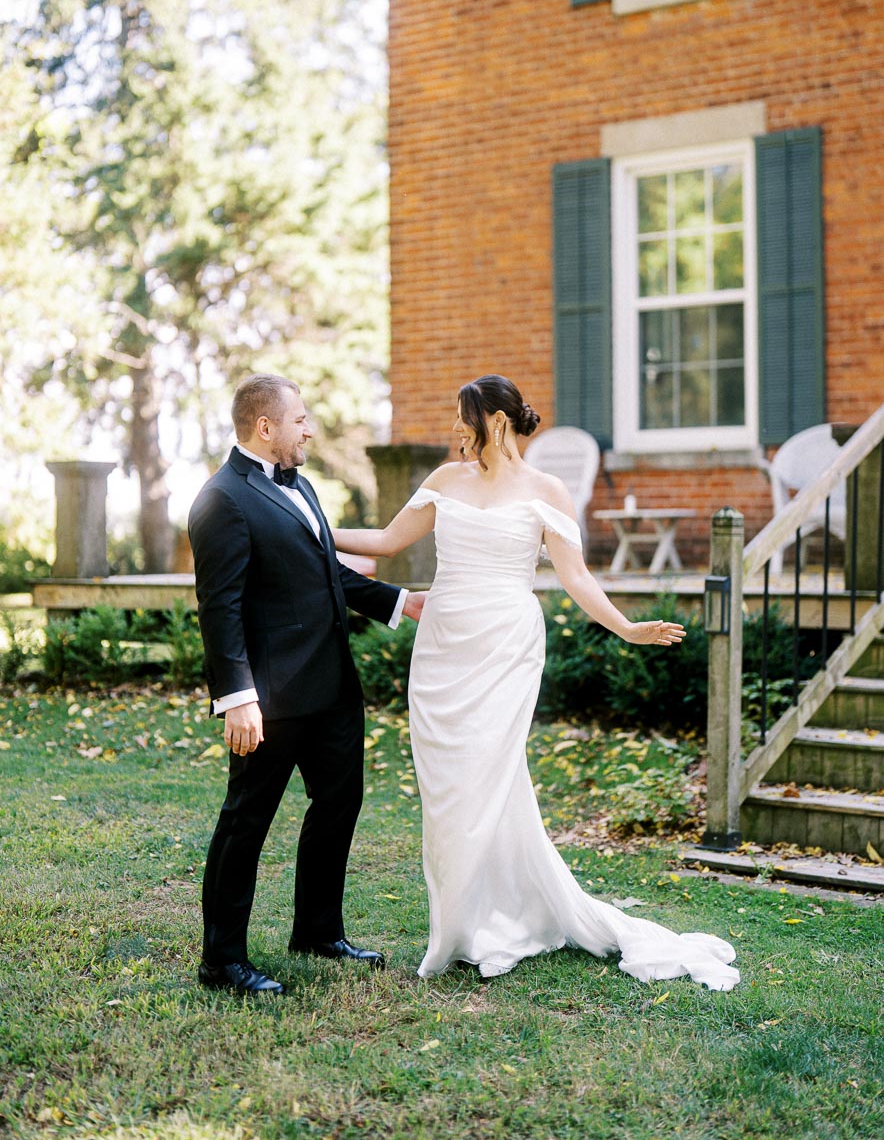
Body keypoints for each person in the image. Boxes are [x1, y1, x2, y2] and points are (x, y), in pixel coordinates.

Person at [332, 374, 739, 992]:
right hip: (443, 646)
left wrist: (625, 627)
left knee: (488, 775)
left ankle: (479, 929)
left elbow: (575, 578)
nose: (453, 428)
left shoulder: (547, 490)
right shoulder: (444, 481)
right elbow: (387, 543)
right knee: (448, 791)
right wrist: (307, 524)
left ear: (494, 421)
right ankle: (467, 921)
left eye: (462, 416)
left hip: (505, 646)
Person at [188, 373, 425, 996]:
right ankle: (222, 960)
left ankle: (318, 931)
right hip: (268, 701)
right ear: (265, 428)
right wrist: (237, 698)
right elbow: (220, 608)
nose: (309, 430)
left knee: (339, 804)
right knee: (247, 820)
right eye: (300, 420)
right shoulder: (221, 500)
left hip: (333, 687)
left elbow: (328, 575)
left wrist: (404, 603)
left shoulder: (305, 486)